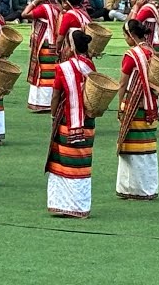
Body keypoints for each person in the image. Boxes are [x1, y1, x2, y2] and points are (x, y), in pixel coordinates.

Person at [45, 30, 98, 218]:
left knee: (64, 161)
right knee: (81, 161)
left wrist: (54, 117)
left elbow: (55, 96)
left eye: (66, 45)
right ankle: (80, 206)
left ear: (71, 47)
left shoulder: (63, 68)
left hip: (67, 120)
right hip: (87, 122)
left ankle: (63, 204)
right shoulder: (90, 65)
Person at [114, 19, 159, 200]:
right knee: (147, 147)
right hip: (150, 105)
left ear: (132, 35)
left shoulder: (132, 55)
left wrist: (120, 105)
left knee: (131, 147)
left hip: (134, 103)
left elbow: (122, 83)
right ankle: (147, 188)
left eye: (125, 36)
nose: (125, 39)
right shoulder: (152, 52)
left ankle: (132, 188)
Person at [23, 0, 64, 111]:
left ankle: (43, 102)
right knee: (52, 71)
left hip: (44, 43)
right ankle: (53, 101)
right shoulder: (59, 6)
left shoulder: (43, 8)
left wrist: (35, 1)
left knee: (42, 71)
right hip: (55, 43)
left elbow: (24, 14)